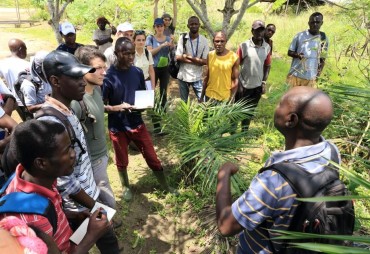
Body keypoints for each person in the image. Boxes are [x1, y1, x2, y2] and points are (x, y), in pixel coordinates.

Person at [216, 86, 339, 253]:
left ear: (291, 119)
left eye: (280, 104)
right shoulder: (332, 152)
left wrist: (223, 175)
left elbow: (226, 226)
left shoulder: (274, 180)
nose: (275, 107)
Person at [39, 50, 120, 253]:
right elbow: (64, 181)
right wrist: (96, 207)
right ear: (55, 81)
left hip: (88, 199)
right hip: (78, 208)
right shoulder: (51, 122)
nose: (82, 82)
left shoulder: (66, 110)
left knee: (109, 245)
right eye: (75, 77)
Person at [1, 120, 112, 253]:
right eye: (66, 151)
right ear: (41, 163)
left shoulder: (36, 177)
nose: (73, 154)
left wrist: (70, 216)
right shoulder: (33, 219)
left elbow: (48, 209)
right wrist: (92, 236)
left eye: (71, 146)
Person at [103, 37, 175, 202]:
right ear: (116, 54)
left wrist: (145, 104)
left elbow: (141, 94)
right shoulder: (108, 77)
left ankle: (165, 186)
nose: (130, 57)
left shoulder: (136, 72)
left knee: (151, 155)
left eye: (132, 53)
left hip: (137, 123)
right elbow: (101, 105)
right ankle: (126, 186)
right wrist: (117, 107)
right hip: (117, 126)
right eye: (125, 53)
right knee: (121, 159)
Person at [72, 46, 118, 214]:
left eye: (104, 67)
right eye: (98, 68)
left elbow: (97, 109)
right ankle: (107, 224)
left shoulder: (97, 88)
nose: (103, 72)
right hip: (91, 160)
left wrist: (113, 108)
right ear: (83, 69)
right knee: (106, 199)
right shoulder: (76, 102)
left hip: (102, 154)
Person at [235, 20, 271, 131]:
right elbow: (235, 65)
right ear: (252, 31)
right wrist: (238, 83)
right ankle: (232, 130)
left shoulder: (267, 47)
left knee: (250, 110)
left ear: (264, 31)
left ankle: (244, 131)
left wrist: (263, 82)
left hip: (257, 86)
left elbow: (267, 65)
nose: (259, 33)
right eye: (256, 31)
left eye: (261, 30)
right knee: (237, 110)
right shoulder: (244, 46)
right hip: (243, 85)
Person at [146, 18, 174, 133]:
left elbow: (171, 51)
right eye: (157, 26)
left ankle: (162, 118)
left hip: (165, 68)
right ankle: (154, 120)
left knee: (163, 93)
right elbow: (150, 53)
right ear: (154, 27)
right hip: (153, 68)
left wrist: (172, 43)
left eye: (161, 26)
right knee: (152, 93)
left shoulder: (167, 38)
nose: (160, 28)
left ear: (164, 27)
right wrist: (161, 46)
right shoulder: (150, 38)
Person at [287, 12, 328, 87]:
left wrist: (317, 75)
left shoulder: (323, 38)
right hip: (295, 75)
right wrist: (297, 55)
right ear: (309, 23)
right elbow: (290, 52)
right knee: (291, 98)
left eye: (317, 22)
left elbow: (323, 59)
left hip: (311, 78)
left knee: (307, 99)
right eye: (312, 22)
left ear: (322, 23)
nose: (315, 24)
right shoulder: (300, 36)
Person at [176, 16, 209, 102]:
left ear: (199, 25)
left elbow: (205, 61)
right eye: (191, 24)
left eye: (195, 24)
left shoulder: (204, 41)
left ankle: (203, 116)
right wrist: (198, 61)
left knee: (203, 102)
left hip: (197, 76)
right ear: (188, 26)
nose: (194, 26)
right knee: (184, 103)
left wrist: (188, 56)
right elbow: (178, 56)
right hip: (183, 76)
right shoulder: (183, 38)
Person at [200, 31, 239, 102]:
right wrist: (202, 96)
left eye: (222, 41)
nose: (219, 44)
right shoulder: (210, 55)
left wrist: (232, 98)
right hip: (209, 96)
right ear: (213, 42)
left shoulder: (234, 57)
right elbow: (207, 77)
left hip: (224, 98)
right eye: (217, 41)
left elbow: (235, 79)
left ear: (226, 42)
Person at [0, 39, 30, 106]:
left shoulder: (2, 64)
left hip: (16, 101)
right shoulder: (28, 64)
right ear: (20, 49)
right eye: (25, 48)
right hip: (32, 100)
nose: (26, 51)